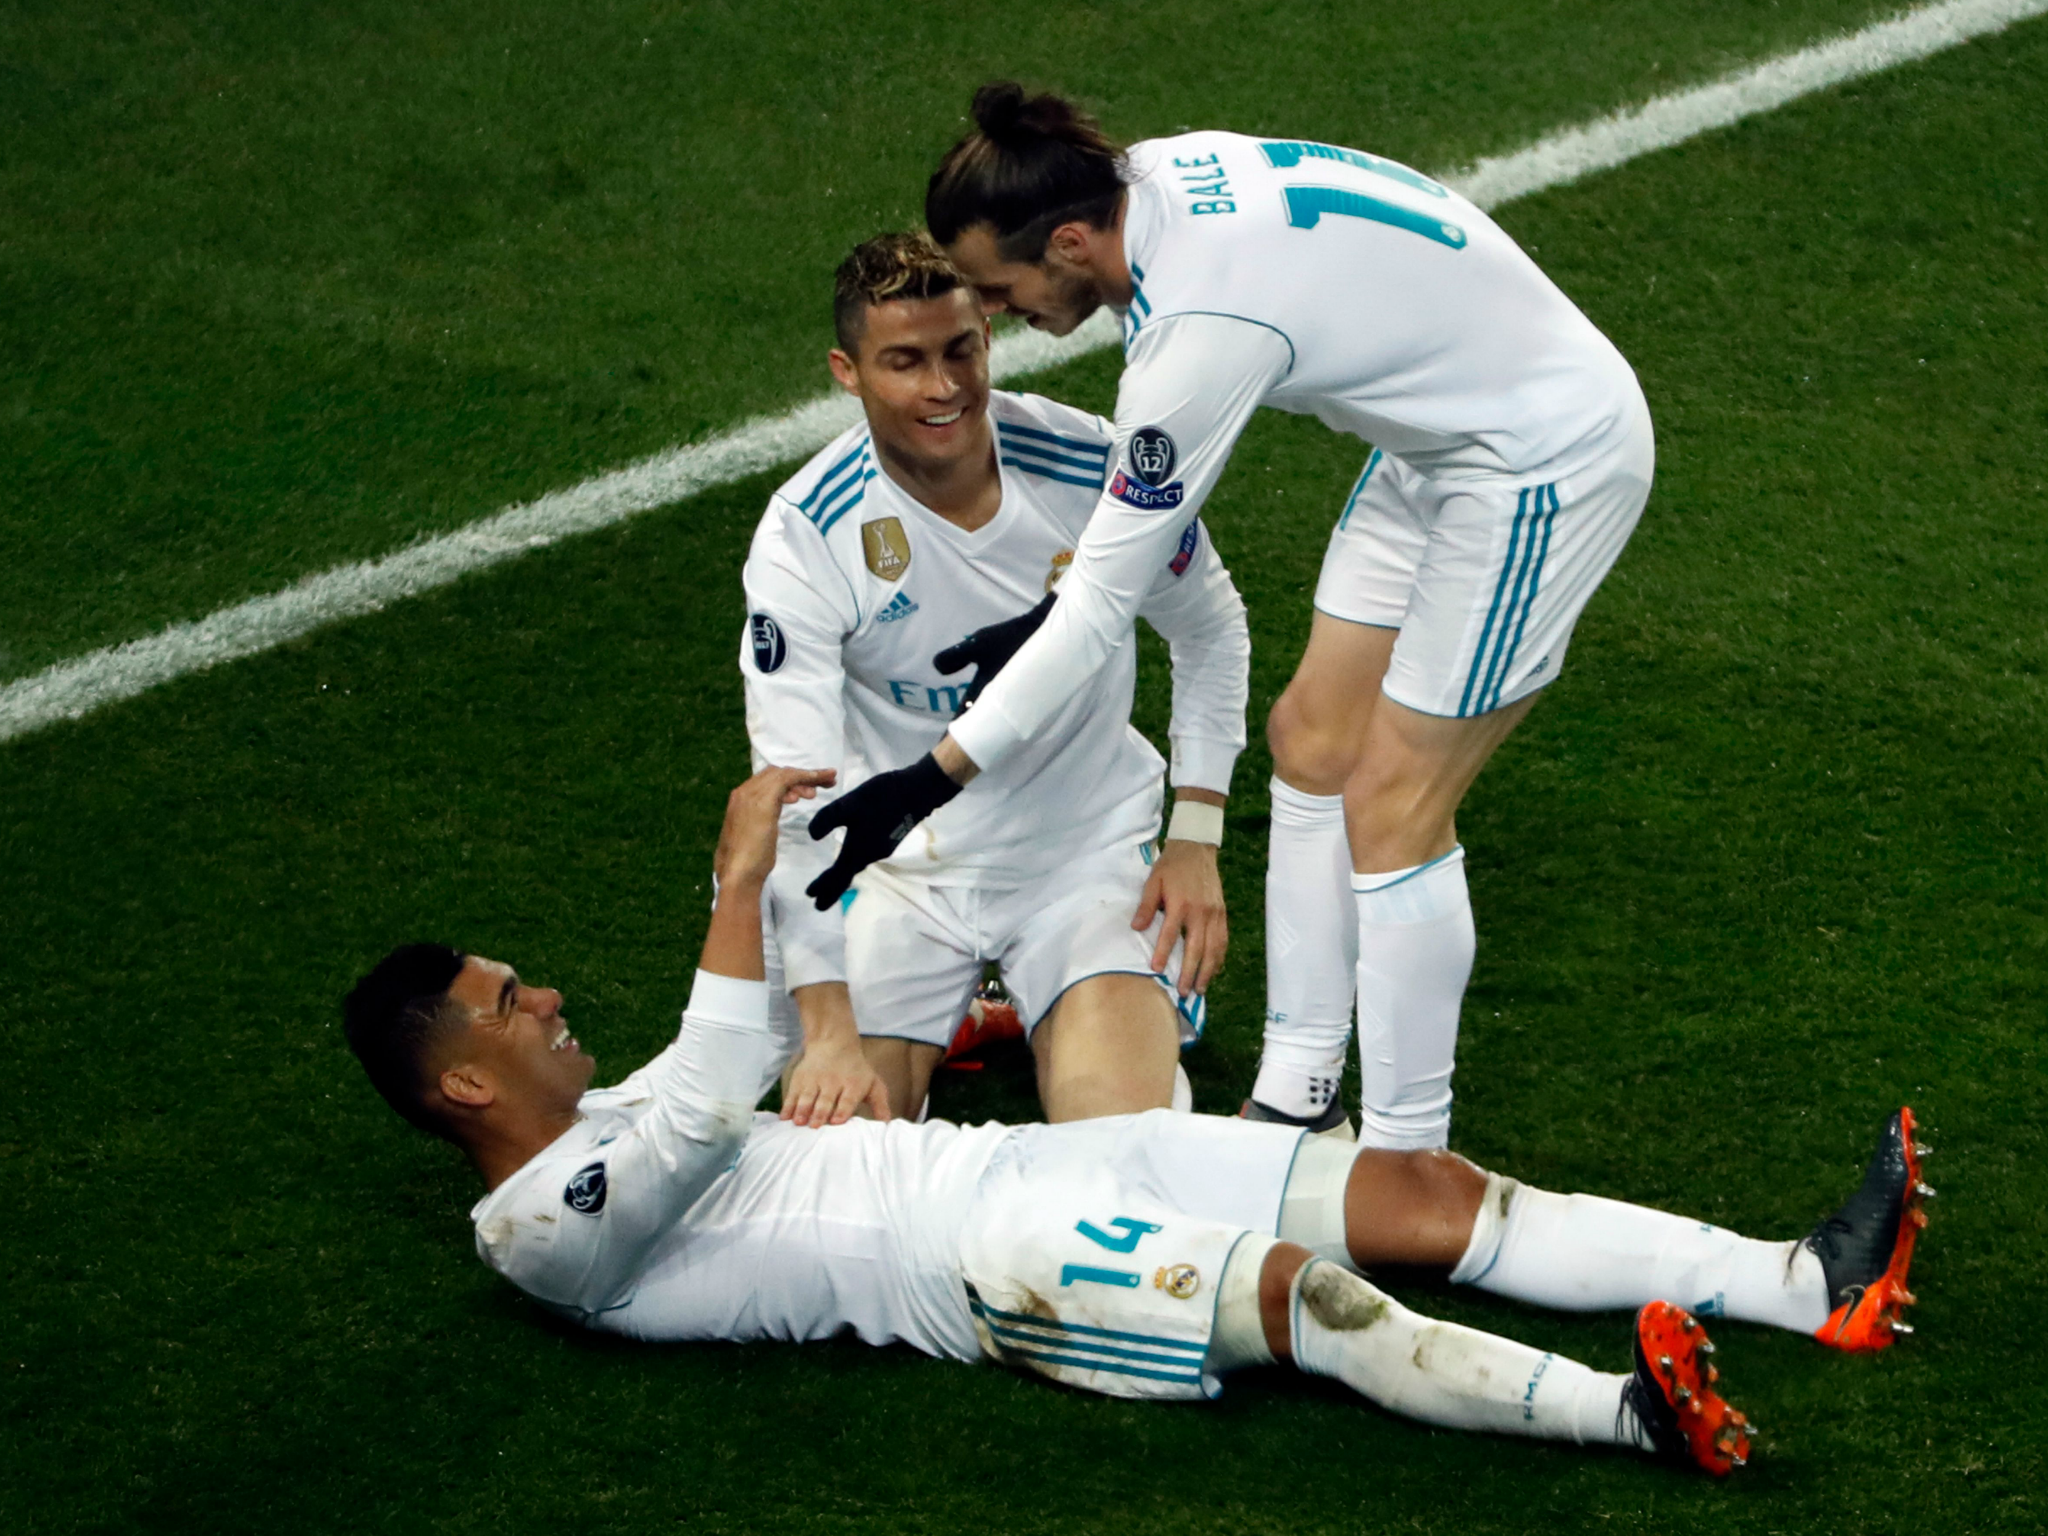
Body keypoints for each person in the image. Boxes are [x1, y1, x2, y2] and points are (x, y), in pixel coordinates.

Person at [340, 765, 1934, 1478]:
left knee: (1426, 1190)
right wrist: (735, 883)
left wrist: (943, 1025)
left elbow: (740, 1055)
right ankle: (1628, 1418)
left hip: (1033, 1164)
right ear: (461, 1084)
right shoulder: (539, 1235)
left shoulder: (607, 1109)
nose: (544, 997)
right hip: (985, 1266)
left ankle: (1807, 1283)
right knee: (1305, 1299)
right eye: (507, 1002)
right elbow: (708, 1097)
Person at [805, 85, 1657, 1146]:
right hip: (1438, 444)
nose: (995, 314)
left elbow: (1101, 610)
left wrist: (926, 780)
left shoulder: (1195, 336)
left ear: (1068, 242)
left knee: (1392, 804)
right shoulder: (1153, 176)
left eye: (998, 287)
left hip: (1538, 461)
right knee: (1311, 741)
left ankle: (1405, 1154)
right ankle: (1299, 1097)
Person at [745, 231, 1249, 1126]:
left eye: (960, 351)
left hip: (1084, 856)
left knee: (1121, 1159)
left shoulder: (1091, 466)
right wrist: (825, 1029)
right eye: (905, 362)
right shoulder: (806, 536)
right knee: (838, 1167)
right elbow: (794, 796)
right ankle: (968, 1013)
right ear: (846, 371)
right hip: (903, 874)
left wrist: (1196, 835)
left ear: (987, 338)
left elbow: (1210, 624)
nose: (944, 389)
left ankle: (1069, 1005)